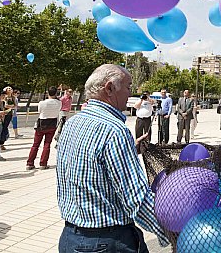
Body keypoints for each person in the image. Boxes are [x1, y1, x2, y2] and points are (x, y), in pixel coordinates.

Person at [57, 64, 168, 252]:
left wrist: (128, 151)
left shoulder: (72, 122)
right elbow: (136, 199)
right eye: (128, 87)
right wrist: (175, 231)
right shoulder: (114, 131)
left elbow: (88, 163)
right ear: (109, 88)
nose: (130, 93)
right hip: (106, 242)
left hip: (70, 238)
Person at [26, 86, 61, 170]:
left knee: (35, 144)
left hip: (42, 123)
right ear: (56, 93)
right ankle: (43, 163)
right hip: (52, 123)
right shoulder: (59, 103)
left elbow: (39, 111)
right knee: (47, 144)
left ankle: (30, 163)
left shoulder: (42, 103)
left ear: (47, 93)